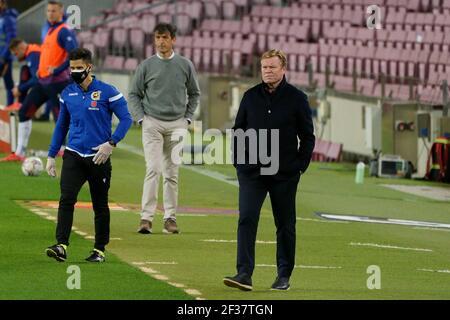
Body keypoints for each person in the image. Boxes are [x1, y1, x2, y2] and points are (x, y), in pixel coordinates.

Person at [223, 50, 315, 291]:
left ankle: (283, 275)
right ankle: (244, 273)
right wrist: (240, 164)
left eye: (272, 67)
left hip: (284, 174)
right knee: (246, 218)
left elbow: (307, 136)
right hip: (252, 173)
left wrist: (299, 167)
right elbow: (238, 131)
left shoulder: (297, 98)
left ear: (283, 68)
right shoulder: (250, 97)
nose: (268, 71)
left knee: (285, 224)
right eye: (264, 67)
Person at [45, 48, 132, 263]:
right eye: (72, 68)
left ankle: (99, 250)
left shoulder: (108, 92)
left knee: (99, 204)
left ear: (89, 67)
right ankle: (61, 245)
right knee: (66, 199)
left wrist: (111, 143)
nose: (74, 71)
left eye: (78, 67)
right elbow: (61, 125)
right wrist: (51, 154)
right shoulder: (67, 93)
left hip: (98, 157)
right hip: (73, 154)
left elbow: (127, 119)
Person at [128, 23, 201, 235]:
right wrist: (141, 119)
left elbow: (195, 93)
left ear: (173, 40)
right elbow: (134, 94)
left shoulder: (185, 65)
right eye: (158, 38)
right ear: (154, 40)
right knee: (153, 169)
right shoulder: (146, 66)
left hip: (177, 123)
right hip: (152, 122)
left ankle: (170, 218)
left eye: (165, 38)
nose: (161, 42)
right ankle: (146, 218)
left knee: (172, 172)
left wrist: (187, 118)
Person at [1, 0, 77, 162]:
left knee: (60, 116)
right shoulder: (49, 30)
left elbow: (74, 54)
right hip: (43, 82)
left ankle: (63, 151)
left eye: (54, 11)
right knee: (24, 112)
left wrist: (57, 69)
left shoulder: (64, 31)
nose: (50, 13)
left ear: (61, 12)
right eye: (48, 11)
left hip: (58, 82)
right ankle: (20, 153)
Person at [8, 38, 40, 104]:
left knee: (24, 70)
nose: (16, 57)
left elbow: (36, 79)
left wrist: (20, 89)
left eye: (16, 54)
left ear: (21, 48)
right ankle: (20, 104)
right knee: (24, 69)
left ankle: (21, 105)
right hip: (49, 83)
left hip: (53, 83)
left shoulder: (33, 54)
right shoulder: (32, 51)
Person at [0, 0, 17, 106]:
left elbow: (11, 39)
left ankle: (9, 107)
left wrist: (3, 57)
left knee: (8, 84)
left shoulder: (8, 19)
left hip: (4, 58)